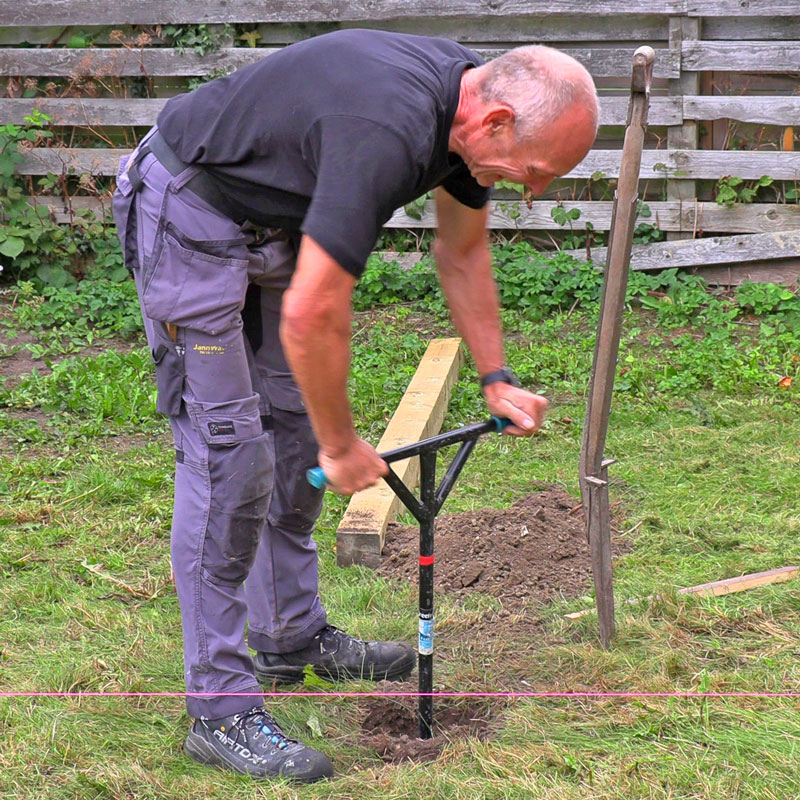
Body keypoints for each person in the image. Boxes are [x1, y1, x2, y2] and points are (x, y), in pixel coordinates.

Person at [112, 29, 598, 783]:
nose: (531, 191)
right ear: (498, 121)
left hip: (269, 223)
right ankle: (219, 708)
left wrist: (495, 375)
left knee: (292, 437)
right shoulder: (384, 127)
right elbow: (314, 313)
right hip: (191, 212)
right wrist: (343, 447)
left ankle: (290, 635)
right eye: (535, 173)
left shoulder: (465, 116)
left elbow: (463, 250)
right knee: (228, 456)